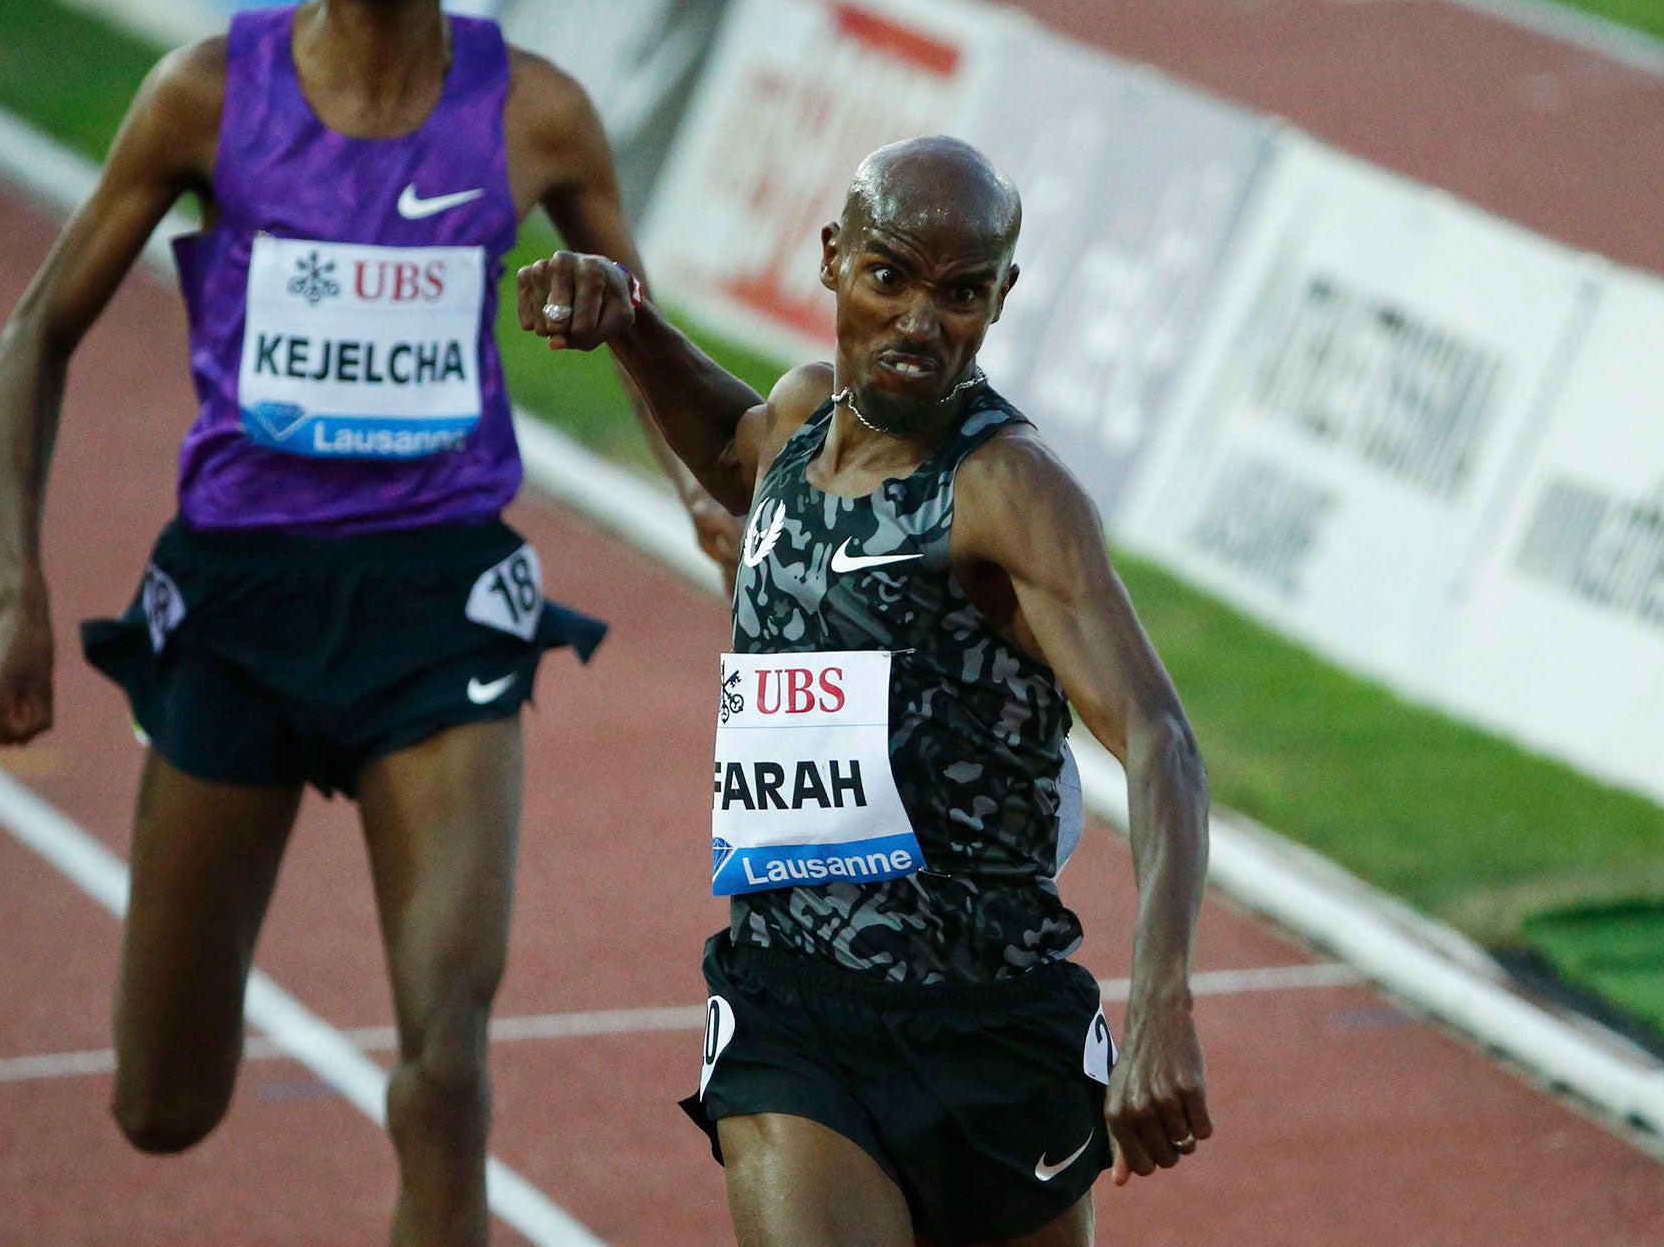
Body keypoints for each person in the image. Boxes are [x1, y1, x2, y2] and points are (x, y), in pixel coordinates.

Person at [0, 0, 720, 1247]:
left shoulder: (538, 115)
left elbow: (639, 325)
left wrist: (694, 486)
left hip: (440, 604)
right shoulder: (203, 97)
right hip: (234, 600)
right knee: (161, 1104)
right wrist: (16, 597)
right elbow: (37, 329)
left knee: (445, 1061)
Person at [515, 136, 1213, 1246]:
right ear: (833, 260)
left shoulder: (1004, 490)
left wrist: (1164, 999)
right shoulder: (795, 419)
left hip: (993, 1023)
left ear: (1001, 297)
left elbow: (1161, 739)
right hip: (795, 1002)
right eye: (888, 276)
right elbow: (739, 458)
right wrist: (632, 328)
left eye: (961, 292)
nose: (921, 320)